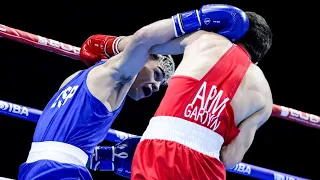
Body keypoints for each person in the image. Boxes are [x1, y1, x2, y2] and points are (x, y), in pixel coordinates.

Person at [17, 3, 248, 179]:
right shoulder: (117, 73)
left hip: (32, 169)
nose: (157, 87)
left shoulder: (74, 79)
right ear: (144, 59)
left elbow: (67, 134)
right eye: (157, 74)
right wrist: (198, 23)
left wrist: (106, 158)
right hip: (61, 171)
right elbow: (142, 40)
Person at [131, 5, 273, 180]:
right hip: (207, 169)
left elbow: (145, 39)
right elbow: (230, 159)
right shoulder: (265, 97)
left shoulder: (205, 40)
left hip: (159, 150)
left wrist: (194, 18)